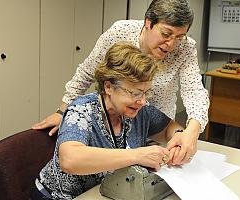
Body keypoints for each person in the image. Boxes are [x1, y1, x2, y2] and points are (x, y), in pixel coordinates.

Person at [32, 0, 209, 165]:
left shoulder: (184, 48)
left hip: (152, 125)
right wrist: (63, 110)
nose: (171, 44)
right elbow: (87, 71)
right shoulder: (120, 32)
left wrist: (189, 134)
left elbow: (194, 91)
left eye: (179, 37)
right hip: (118, 119)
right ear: (148, 22)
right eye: (166, 34)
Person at [30, 42, 192, 200]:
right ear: (108, 87)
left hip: (105, 191)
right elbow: (70, 159)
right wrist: (137, 155)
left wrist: (178, 137)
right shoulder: (81, 110)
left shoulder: (140, 109)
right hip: (59, 196)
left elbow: (167, 128)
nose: (142, 101)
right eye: (135, 93)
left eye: (145, 93)